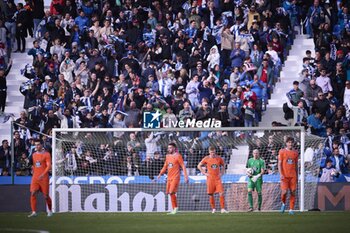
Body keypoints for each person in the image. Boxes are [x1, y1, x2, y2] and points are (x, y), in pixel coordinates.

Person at [157, 142, 188, 214]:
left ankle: (175, 208)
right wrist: (160, 174)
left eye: (170, 148)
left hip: (176, 177)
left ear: (174, 148)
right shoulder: (167, 156)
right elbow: (165, 166)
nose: (169, 149)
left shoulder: (178, 156)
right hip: (169, 178)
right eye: (168, 148)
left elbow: (183, 166)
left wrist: (186, 176)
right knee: (170, 193)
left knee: (171, 192)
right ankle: (175, 208)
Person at [197, 146, 228, 214]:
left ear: (215, 152)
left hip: (217, 178)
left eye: (214, 152)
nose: (213, 154)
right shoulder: (206, 158)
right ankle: (213, 209)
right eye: (211, 152)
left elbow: (224, 165)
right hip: (210, 179)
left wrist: (222, 172)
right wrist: (204, 173)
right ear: (209, 152)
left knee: (221, 193)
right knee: (211, 194)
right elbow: (199, 166)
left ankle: (222, 209)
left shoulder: (219, 158)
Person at [28, 139, 52, 217]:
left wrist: (43, 174)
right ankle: (34, 212)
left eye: (38, 144)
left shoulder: (47, 154)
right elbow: (34, 165)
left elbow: (48, 166)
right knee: (33, 193)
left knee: (46, 196)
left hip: (44, 178)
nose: (37, 146)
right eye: (35, 145)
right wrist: (33, 170)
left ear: (41, 145)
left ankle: (50, 210)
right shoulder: (34, 155)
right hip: (35, 177)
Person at [278, 137, 298, 215]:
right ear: (286, 143)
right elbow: (279, 164)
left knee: (293, 192)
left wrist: (297, 175)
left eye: (291, 142)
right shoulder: (282, 151)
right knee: (284, 192)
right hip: (284, 176)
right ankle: (283, 204)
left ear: (293, 143)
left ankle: (291, 209)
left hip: (293, 176)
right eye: (289, 142)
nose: (290, 144)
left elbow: (296, 165)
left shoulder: (295, 153)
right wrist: (281, 174)